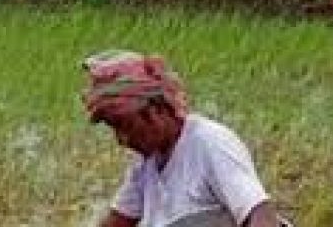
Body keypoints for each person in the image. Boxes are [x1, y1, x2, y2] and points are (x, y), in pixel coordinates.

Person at [81, 50, 285, 227]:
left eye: (126, 126)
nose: (122, 140)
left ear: (156, 109)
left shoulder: (209, 143)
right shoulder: (146, 166)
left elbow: (262, 214)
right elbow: (118, 222)